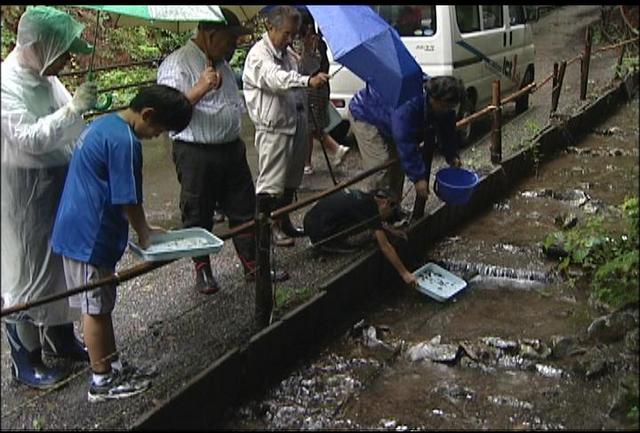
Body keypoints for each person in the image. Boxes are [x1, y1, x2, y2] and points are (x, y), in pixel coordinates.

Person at [51, 84, 193, 402]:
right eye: (159, 130)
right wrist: (144, 234)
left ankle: (112, 364)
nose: (156, 136)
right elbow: (127, 196)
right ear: (148, 114)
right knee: (95, 309)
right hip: (89, 235)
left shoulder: (105, 124)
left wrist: (145, 227)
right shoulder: (125, 142)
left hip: (81, 227)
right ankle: (101, 381)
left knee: (101, 304)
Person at [157, 7, 288, 293]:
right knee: (198, 210)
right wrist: (200, 89)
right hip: (195, 151)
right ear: (210, 34)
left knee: (243, 207)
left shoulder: (223, 64)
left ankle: (253, 264)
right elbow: (166, 112)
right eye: (230, 39)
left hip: (230, 148)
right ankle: (202, 269)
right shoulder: (176, 64)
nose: (234, 45)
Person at [1, 5, 98, 389]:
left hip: (56, 182)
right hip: (24, 189)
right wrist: (73, 110)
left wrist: (80, 113)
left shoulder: (46, 78)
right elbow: (29, 137)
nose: (69, 60)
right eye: (63, 51)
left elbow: (65, 120)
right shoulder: (6, 83)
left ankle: (59, 337)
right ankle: (25, 359)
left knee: (58, 265)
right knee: (25, 272)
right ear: (39, 46)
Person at [242, 5, 330, 248]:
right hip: (273, 126)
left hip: (295, 119)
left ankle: (284, 220)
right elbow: (276, 79)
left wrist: (310, 54)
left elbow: (304, 72)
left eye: (293, 34)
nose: (290, 38)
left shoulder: (287, 52)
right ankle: (267, 228)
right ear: (271, 27)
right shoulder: (259, 55)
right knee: (271, 182)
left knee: (291, 179)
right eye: (287, 33)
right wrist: (306, 80)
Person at [348, 75, 466, 218]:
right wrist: (418, 178)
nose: (448, 110)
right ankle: (374, 218)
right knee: (380, 165)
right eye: (446, 106)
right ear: (434, 99)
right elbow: (405, 139)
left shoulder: (443, 106)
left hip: (388, 118)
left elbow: (447, 130)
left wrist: (451, 155)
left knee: (398, 165)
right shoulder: (409, 103)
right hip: (365, 114)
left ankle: (393, 209)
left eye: (451, 107)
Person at [303, 188, 417, 286]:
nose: (389, 215)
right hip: (319, 231)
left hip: (311, 220)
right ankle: (330, 244)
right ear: (385, 202)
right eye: (392, 210)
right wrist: (405, 273)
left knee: (362, 223)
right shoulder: (369, 209)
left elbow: (374, 222)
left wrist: (391, 231)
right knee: (364, 228)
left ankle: (331, 240)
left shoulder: (365, 198)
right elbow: (385, 246)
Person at [296, 14, 350, 176]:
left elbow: (307, 68)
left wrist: (303, 53)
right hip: (321, 88)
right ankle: (329, 152)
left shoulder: (311, 43)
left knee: (310, 126)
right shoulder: (318, 42)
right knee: (313, 126)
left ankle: (330, 151)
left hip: (314, 89)